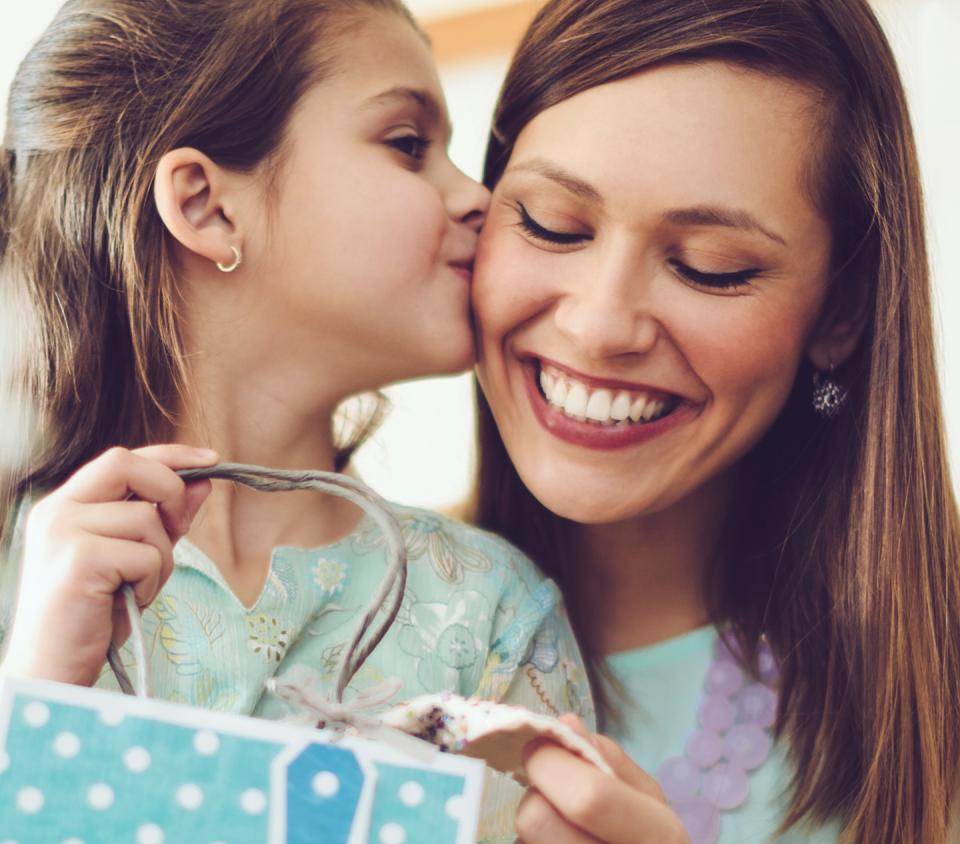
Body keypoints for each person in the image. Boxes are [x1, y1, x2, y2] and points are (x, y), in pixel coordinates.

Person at [0, 1, 593, 839]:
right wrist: (37, 700)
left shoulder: (492, 612)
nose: (479, 199)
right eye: (408, 145)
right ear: (207, 205)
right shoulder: (21, 576)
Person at [470, 0, 960, 841]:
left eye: (712, 268)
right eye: (552, 224)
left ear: (839, 314)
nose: (598, 325)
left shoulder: (934, 699)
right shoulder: (328, 607)